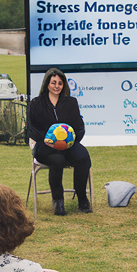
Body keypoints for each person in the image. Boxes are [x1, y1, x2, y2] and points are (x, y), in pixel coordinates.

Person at [27, 67, 91, 216]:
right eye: (53, 82)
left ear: (64, 85)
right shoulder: (36, 103)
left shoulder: (71, 102)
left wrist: (72, 141)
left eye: (60, 83)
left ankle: (82, 197)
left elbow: (79, 127)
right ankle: (58, 201)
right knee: (57, 160)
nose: (57, 86)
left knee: (83, 156)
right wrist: (48, 141)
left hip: (68, 145)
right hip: (45, 146)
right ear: (47, 84)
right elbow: (32, 128)